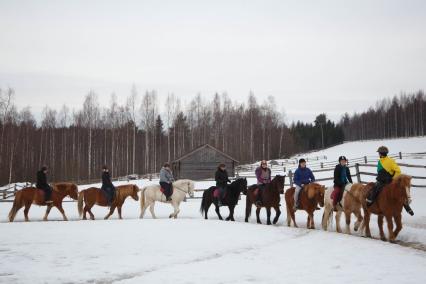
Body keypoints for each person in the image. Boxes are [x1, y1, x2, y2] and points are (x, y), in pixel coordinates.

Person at [366, 146, 414, 215]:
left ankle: (407, 207)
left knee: (376, 188)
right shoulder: (380, 161)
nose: (378, 154)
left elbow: (398, 171)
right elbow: (379, 171)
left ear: (381, 153)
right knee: (374, 187)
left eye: (379, 153)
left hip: (388, 181)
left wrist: (393, 179)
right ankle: (373, 202)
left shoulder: (390, 161)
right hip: (380, 180)